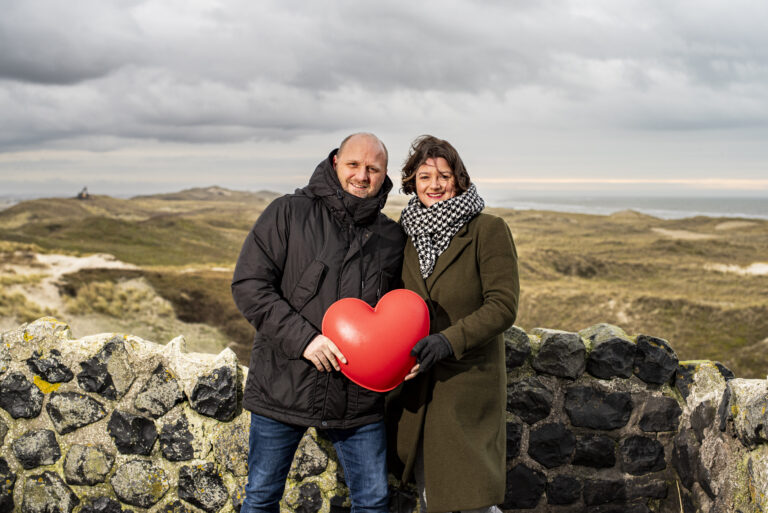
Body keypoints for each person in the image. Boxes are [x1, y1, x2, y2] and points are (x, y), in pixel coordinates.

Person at [232, 133, 406, 513]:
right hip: (284, 382)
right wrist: (305, 340)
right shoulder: (288, 212)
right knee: (261, 498)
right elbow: (249, 285)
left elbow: (401, 310)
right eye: (354, 165)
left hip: (358, 398)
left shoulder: (391, 237)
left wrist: (408, 355)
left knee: (374, 501)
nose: (363, 175)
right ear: (334, 164)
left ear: (384, 175)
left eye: (373, 168)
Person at [387, 135, 519, 513]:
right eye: (425, 176)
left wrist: (447, 341)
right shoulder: (405, 234)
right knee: (430, 495)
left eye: (444, 175)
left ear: (459, 180)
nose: (435, 185)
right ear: (412, 182)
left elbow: (503, 305)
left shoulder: (487, 230)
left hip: (465, 383)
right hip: (417, 387)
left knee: (471, 499)